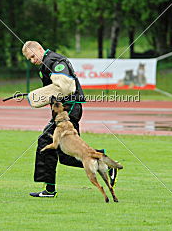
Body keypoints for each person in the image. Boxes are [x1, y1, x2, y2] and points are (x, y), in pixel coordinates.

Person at [22, 41, 118, 198]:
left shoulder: (54, 61)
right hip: (65, 109)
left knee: (45, 141)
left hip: (69, 108)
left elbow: (66, 87)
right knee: (66, 156)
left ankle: (49, 191)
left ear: (40, 49)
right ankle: (104, 161)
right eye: (29, 59)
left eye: (33, 56)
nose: (32, 61)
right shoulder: (46, 64)